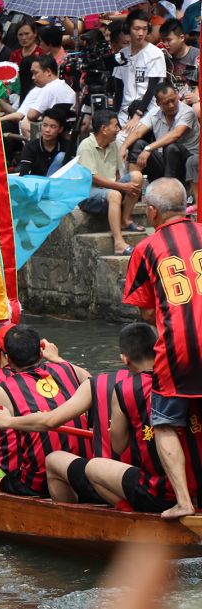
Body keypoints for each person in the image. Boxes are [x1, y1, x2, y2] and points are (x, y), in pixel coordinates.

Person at [0, 324, 151, 505]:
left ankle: (78, 517)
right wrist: (58, 359)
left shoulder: (110, 385)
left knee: (64, 462)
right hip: (171, 483)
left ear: (124, 358)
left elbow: (118, 445)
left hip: (143, 485)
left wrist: (9, 421)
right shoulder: (177, 384)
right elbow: (85, 377)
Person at [123, 178, 202, 518]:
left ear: (152, 211)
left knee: (166, 421)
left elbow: (144, 308)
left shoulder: (147, 247)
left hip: (178, 348)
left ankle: (184, 501)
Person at [0, 325, 91, 496]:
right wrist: (58, 359)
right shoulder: (66, 369)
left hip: (32, 477)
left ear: (6, 356)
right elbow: (90, 379)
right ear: (41, 352)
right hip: (79, 468)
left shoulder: (1, 387)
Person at [82, 324, 202, 512]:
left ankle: (133, 515)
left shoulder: (124, 389)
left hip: (160, 493)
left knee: (92, 468)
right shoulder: (188, 376)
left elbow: (118, 445)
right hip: (199, 485)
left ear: (124, 358)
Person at [77, 110, 144, 256]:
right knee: (114, 194)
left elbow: (118, 173)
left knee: (137, 176)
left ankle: (125, 219)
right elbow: (93, 178)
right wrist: (121, 187)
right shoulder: (86, 145)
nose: (118, 130)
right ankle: (119, 243)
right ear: (104, 129)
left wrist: (123, 186)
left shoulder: (112, 144)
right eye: (115, 126)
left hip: (110, 189)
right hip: (88, 194)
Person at [121, 82, 200, 188]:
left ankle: (167, 190)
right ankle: (133, 188)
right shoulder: (154, 113)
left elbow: (176, 134)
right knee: (138, 144)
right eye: (166, 103)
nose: (171, 105)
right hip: (164, 160)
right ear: (158, 103)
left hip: (187, 162)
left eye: (173, 100)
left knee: (171, 147)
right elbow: (137, 132)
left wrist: (149, 148)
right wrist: (123, 147)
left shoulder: (187, 112)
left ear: (177, 96)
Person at [114, 10, 167, 129]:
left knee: (122, 139)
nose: (141, 33)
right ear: (128, 29)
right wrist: (115, 117)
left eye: (144, 29)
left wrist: (137, 115)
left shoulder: (155, 54)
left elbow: (152, 88)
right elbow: (118, 88)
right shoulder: (121, 54)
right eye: (136, 28)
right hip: (124, 111)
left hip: (149, 111)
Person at [3, 55, 75, 137]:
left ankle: (35, 149)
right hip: (66, 129)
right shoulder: (64, 85)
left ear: (48, 72)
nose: (33, 77)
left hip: (58, 132)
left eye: (35, 73)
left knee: (26, 121)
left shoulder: (49, 87)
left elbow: (31, 115)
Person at [19, 107, 70, 176]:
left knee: (61, 156)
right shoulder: (30, 147)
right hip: (36, 184)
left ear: (60, 129)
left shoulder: (66, 146)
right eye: (45, 125)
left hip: (58, 184)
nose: (47, 130)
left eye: (53, 127)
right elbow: (23, 174)